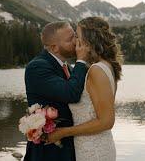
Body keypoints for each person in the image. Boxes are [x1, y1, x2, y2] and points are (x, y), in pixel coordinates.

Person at [48, 17, 123, 161]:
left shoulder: (97, 70)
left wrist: (63, 132)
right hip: (90, 148)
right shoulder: (103, 66)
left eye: (77, 36)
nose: (75, 40)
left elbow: (107, 121)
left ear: (88, 42)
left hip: (94, 151)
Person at [24, 21, 90, 161]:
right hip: (48, 152)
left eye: (75, 36)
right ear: (54, 48)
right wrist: (82, 61)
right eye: (70, 39)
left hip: (68, 147)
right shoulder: (37, 67)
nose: (76, 42)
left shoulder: (68, 67)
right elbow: (71, 94)